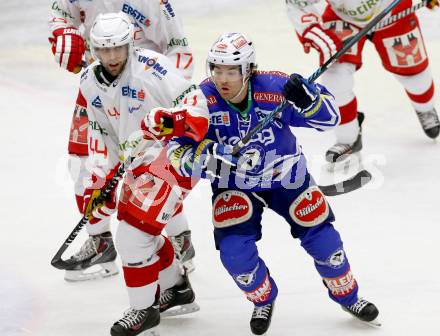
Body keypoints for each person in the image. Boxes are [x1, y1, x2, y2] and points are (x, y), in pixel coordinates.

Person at [143, 32, 380, 335]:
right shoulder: (201, 99)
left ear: (249, 70)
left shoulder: (276, 87)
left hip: (288, 178)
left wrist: (311, 102)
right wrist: (209, 156)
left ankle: (349, 296)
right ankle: (264, 299)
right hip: (234, 185)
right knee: (235, 256)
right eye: (216, 69)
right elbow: (175, 152)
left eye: (231, 71)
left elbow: (330, 119)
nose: (222, 78)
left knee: (325, 242)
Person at [48, 0, 196, 280]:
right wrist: (64, 34)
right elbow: (60, 14)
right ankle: (99, 240)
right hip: (97, 84)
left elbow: (179, 47)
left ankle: (180, 241)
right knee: (82, 162)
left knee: (153, 173)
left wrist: (169, 101)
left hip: (145, 92)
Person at [77, 13, 204, 335]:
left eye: (117, 48)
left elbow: (198, 108)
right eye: (104, 51)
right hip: (139, 165)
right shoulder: (89, 81)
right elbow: (105, 133)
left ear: (129, 44)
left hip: (176, 155)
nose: (112, 57)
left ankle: (143, 311)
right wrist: (105, 178)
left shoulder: (152, 67)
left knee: (132, 237)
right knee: (140, 230)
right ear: (94, 50)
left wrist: (167, 120)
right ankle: (176, 290)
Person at [286, 0, 440, 165]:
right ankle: (348, 138)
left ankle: (425, 108)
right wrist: (311, 29)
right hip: (344, 17)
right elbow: (297, 3)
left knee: (416, 79)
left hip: (392, 10)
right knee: (335, 78)